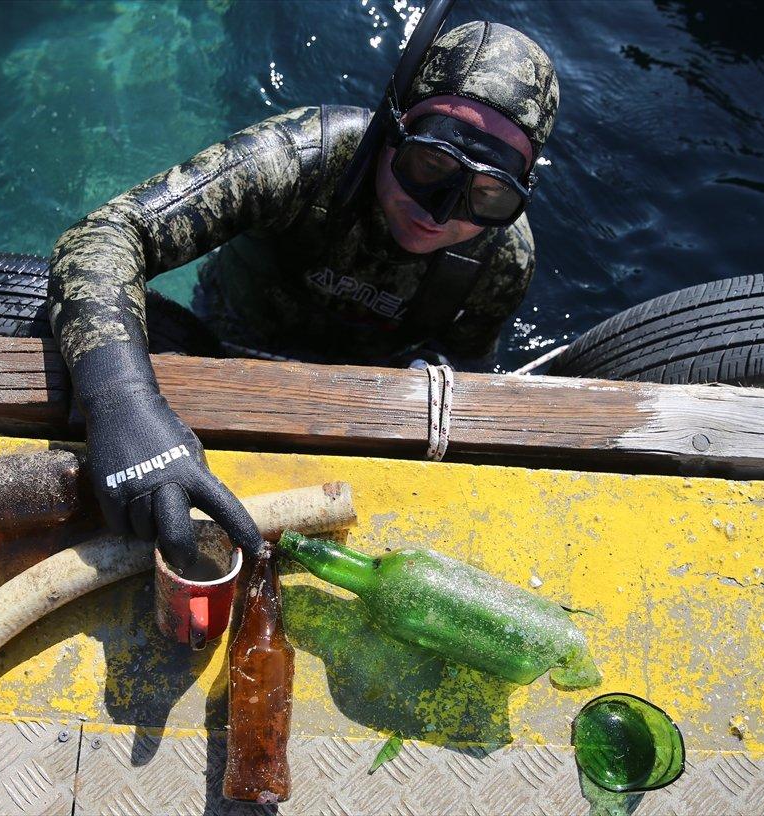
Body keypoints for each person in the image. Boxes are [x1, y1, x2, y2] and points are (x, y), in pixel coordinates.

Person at [48, 21, 559, 565]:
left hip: (369, 393)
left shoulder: (502, 258)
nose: (440, 212)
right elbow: (108, 232)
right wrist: (122, 401)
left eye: (489, 195)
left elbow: (469, 364)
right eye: (430, 165)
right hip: (224, 341)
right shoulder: (299, 159)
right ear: (391, 127)